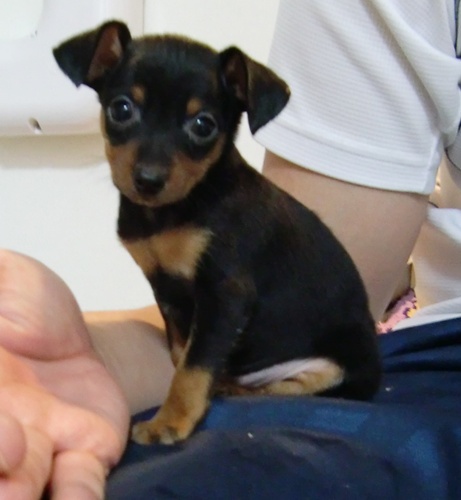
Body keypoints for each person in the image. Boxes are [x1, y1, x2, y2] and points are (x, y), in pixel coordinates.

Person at [2, 0, 461, 497]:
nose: (151, 164)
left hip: (334, 369)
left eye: (199, 128)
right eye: (124, 112)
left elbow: (226, 301)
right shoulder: (141, 224)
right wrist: (74, 357)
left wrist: (181, 406)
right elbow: (189, 311)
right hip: (386, 359)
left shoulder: (222, 219)